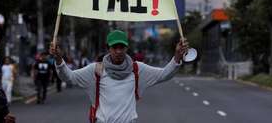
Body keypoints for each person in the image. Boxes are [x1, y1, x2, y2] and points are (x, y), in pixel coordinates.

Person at [50, 29, 188, 123]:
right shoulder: (96, 70)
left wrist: (177, 56)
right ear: (108, 48)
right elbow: (68, 77)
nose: (118, 51)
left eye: (121, 47)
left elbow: (164, 75)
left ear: (126, 48)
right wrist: (58, 60)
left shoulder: (137, 69)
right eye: (114, 47)